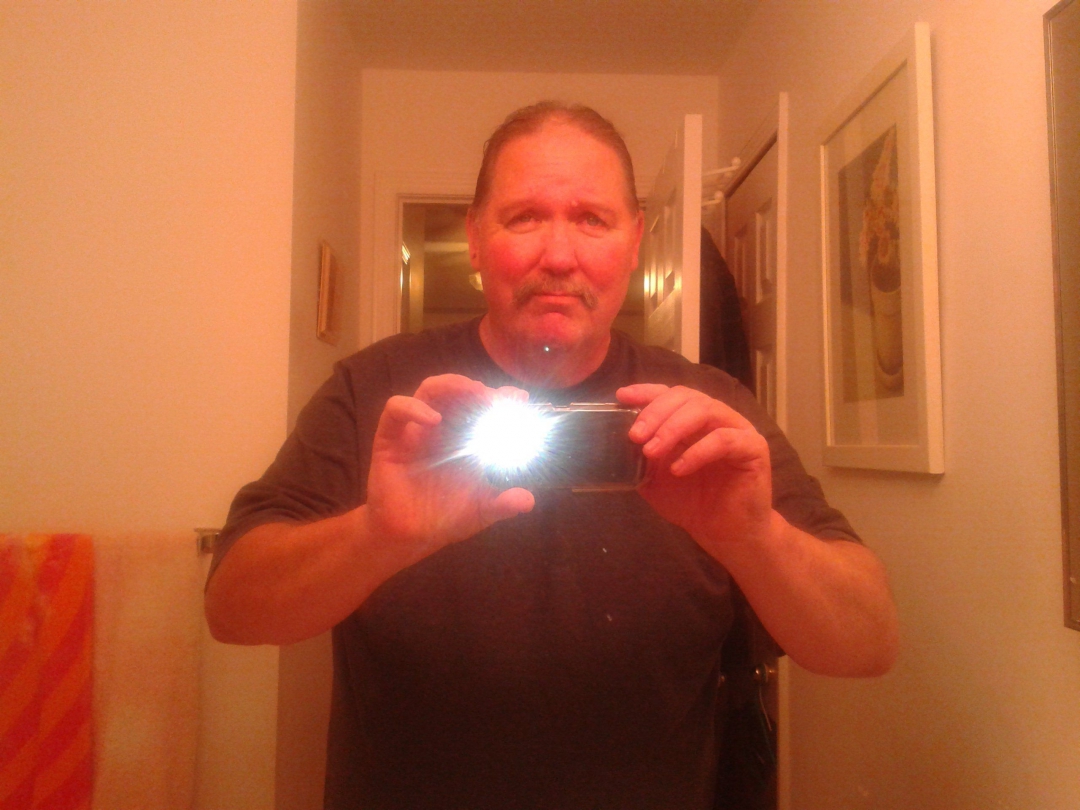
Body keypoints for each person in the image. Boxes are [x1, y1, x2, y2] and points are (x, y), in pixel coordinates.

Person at [205, 102, 898, 810]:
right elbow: (232, 609)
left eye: (592, 220)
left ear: (635, 242)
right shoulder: (377, 395)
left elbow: (868, 642)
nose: (560, 256)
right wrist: (375, 537)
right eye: (524, 218)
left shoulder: (711, 412)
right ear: (475, 239)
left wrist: (755, 538)